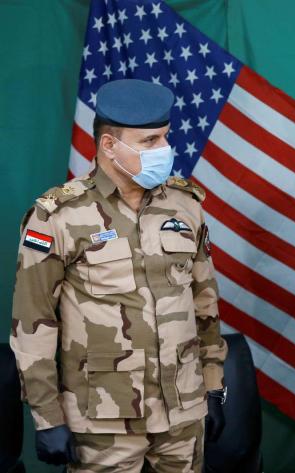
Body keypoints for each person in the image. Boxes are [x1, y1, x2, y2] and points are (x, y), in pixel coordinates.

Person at [10, 79, 227, 473]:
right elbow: (32, 322)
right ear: (109, 145)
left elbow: (204, 303)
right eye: (148, 141)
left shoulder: (185, 206)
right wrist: (47, 417)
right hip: (105, 418)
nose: (164, 149)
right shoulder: (58, 216)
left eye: (164, 137)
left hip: (183, 408)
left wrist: (212, 387)